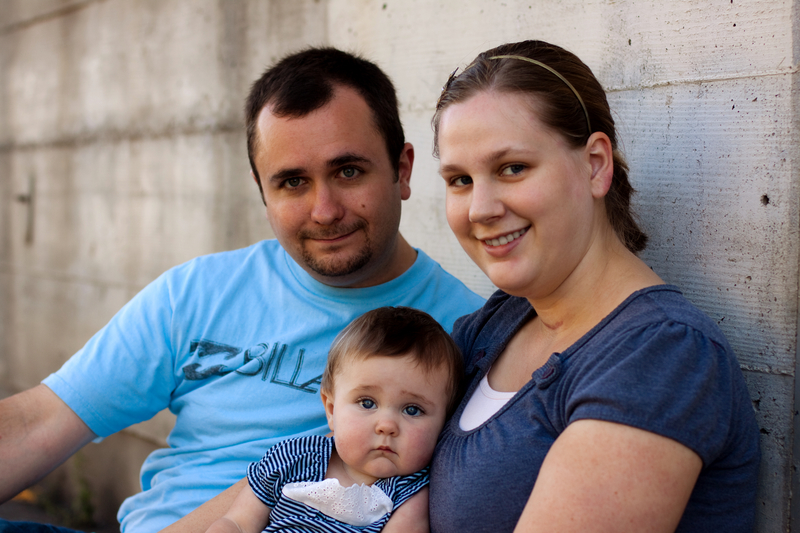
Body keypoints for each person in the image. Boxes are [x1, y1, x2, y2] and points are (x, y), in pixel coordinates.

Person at [0, 48, 484, 532]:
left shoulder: (469, 335)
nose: (324, 210)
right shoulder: (201, 292)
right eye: (292, 182)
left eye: (348, 171)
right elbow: (42, 419)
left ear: (402, 169)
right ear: (262, 191)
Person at [428, 40, 760, 533]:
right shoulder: (498, 323)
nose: (480, 209)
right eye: (459, 180)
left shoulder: (661, 354)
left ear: (596, 165)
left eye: (512, 168)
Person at [206, 306, 462, 533]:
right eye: (367, 403)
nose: (387, 426)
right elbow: (238, 523)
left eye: (412, 410)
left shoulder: (412, 494)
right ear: (331, 410)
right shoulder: (293, 458)